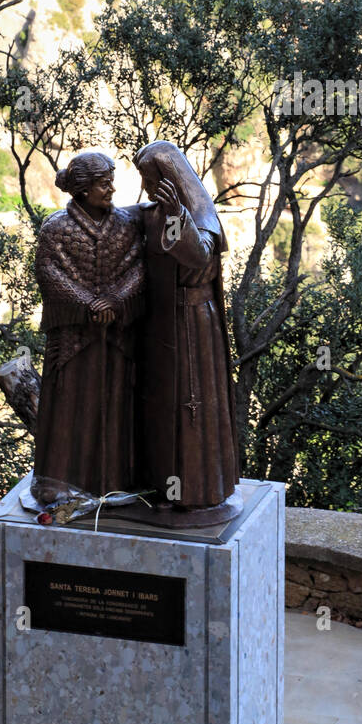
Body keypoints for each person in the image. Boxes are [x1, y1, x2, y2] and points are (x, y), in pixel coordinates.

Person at [31, 151, 145, 505]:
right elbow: (49, 272)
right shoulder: (56, 229)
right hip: (71, 339)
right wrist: (86, 303)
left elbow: (139, 268)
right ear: (81, 190)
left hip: (116, 338)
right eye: (102, 183)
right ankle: (57, 483)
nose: (111, 188)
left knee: (116, 405)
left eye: (111, 181)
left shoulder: (126, 225)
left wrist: (115, 299)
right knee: (67, 406)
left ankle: (114, 481)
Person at [133, 140, 239, 512]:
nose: (146, 186)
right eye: (143, 179)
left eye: (151, 178)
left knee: (192, 407)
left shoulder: (200, 213)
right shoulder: (151, 212)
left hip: (194, 326)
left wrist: (177, 214)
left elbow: (197, 254)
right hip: (160, 323)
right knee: (162, 405)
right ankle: (162, 486)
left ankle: (196, 492)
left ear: (170, 179)